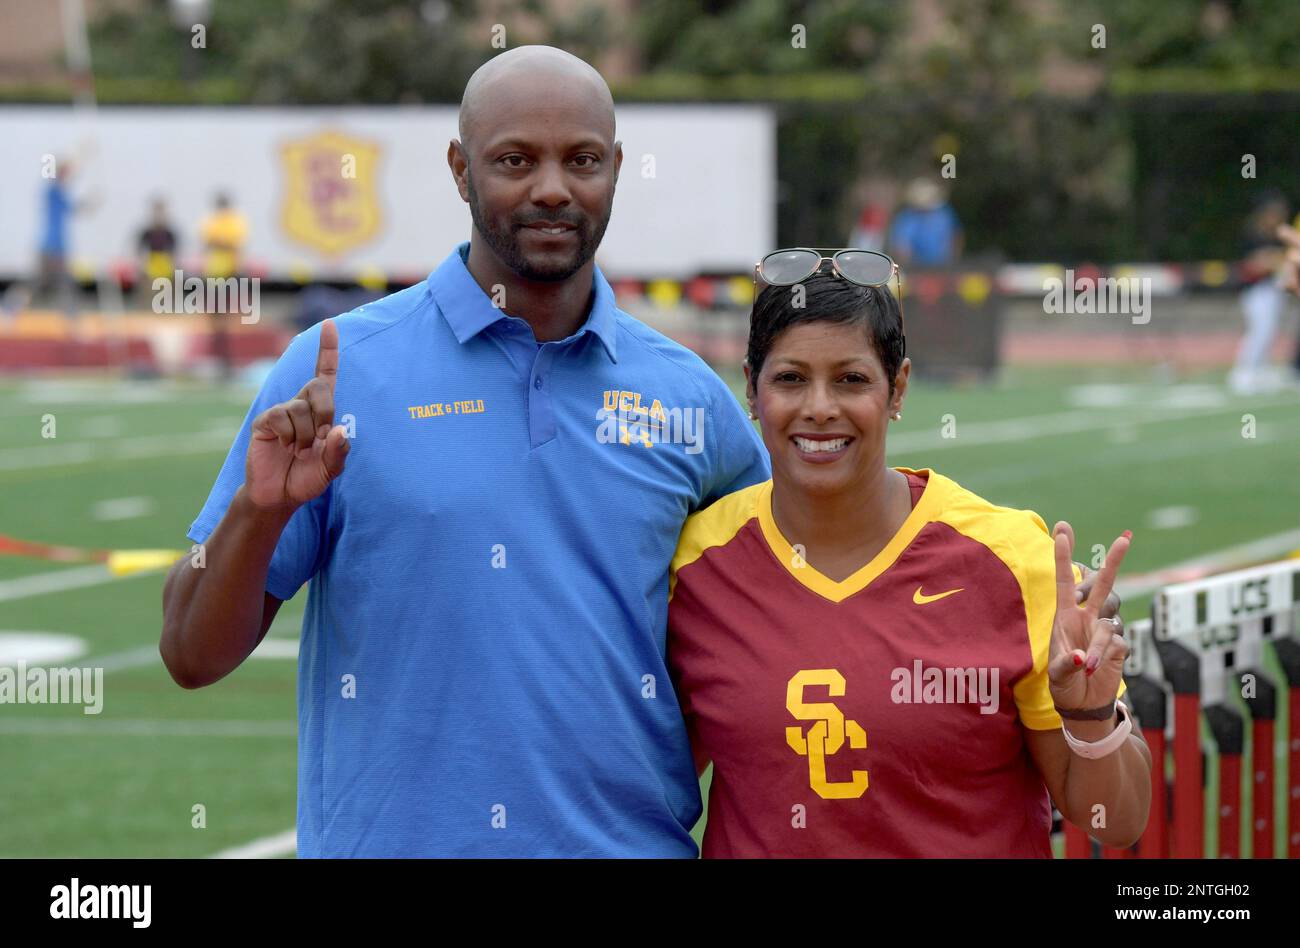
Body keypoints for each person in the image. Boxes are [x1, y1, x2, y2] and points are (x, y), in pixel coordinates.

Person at [160, 47, 1117, 858]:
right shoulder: (338, 370)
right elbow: (192, 655)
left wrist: (1027, 668)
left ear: (616, 169)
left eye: (581, 159)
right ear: (461, 170)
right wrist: (259, 513)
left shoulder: (689, 399)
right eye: (513, 160)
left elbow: (815, 588)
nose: (550, 188)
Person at [667, 256, 1151, 857]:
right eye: (790, 378)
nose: (820, 407)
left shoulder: (1013, 561)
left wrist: (1091, 713)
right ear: (750, 387)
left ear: (897, 388)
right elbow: (647, 790)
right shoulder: (694, 567)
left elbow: (1116, 820)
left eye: (851, 379)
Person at [1229, 192, 1290, 395]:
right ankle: (1243, 372)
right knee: (1260, 330)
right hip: (1255, 290)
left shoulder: (1279, 236)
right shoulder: (1253, 235)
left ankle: (1260, 370)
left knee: (1270, 330)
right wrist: (1270, 261)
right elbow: (1252, 265)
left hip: (1275, 289)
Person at [200, 192, 248, 379]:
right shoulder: (215, 221)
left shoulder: (234, 221)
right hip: (214, 273)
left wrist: (219, 242)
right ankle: (219, 358)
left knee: (225, 319)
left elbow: (229, 243)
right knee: (215, 319)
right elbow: (210, 242)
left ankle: (226, 360)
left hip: (228, 273)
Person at [886, 177, 962, 267]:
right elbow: (901, 247)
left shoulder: (944, 214)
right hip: (915, 267)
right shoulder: (906, 218)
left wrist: (953, 260)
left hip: (944, 265)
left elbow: (956, 236)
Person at [137, 197, 179, 295]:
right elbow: (140, 250)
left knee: (169, 286)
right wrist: (142, 265)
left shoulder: (169, 233)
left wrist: (173, 265)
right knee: (149, 287)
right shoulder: (148, 232)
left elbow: (174, 251)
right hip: (151, 261)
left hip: (165, 262)